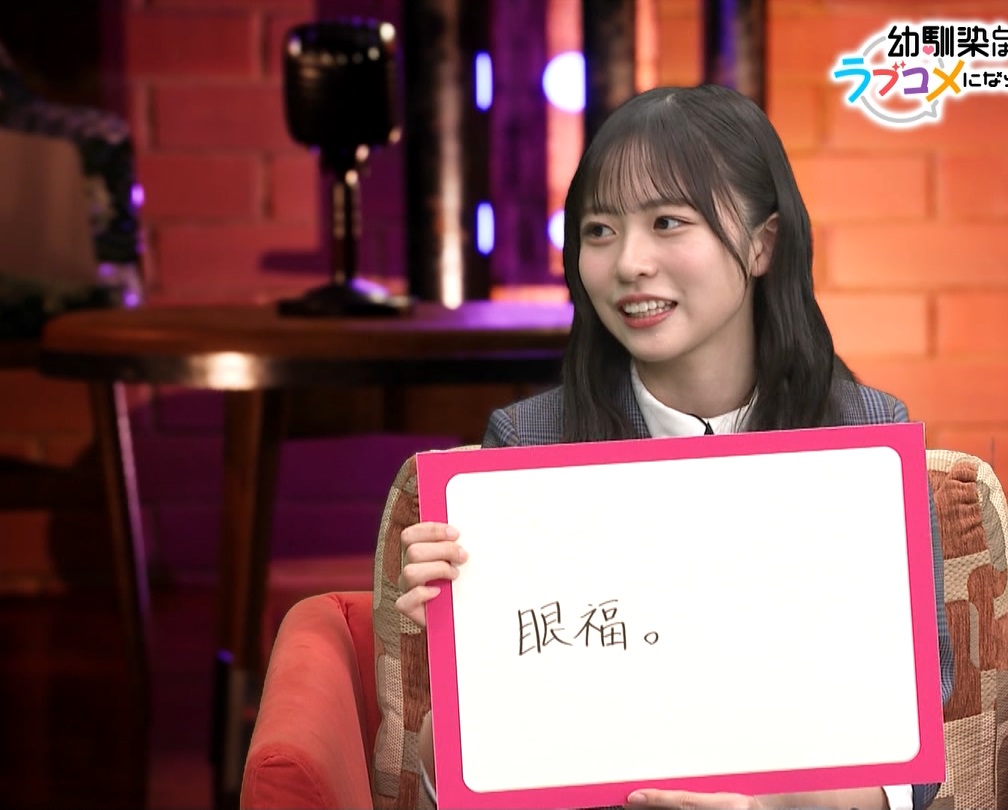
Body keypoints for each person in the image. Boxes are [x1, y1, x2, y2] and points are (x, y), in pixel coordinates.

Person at [390, 83, 954, 810]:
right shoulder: (525, 446)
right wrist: (465, 654)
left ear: (762, 243)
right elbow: (489, 762)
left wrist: (787, 806)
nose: (629, 263)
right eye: (599, 230)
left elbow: (911, 736)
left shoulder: (863, 441)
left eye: (667, 222)